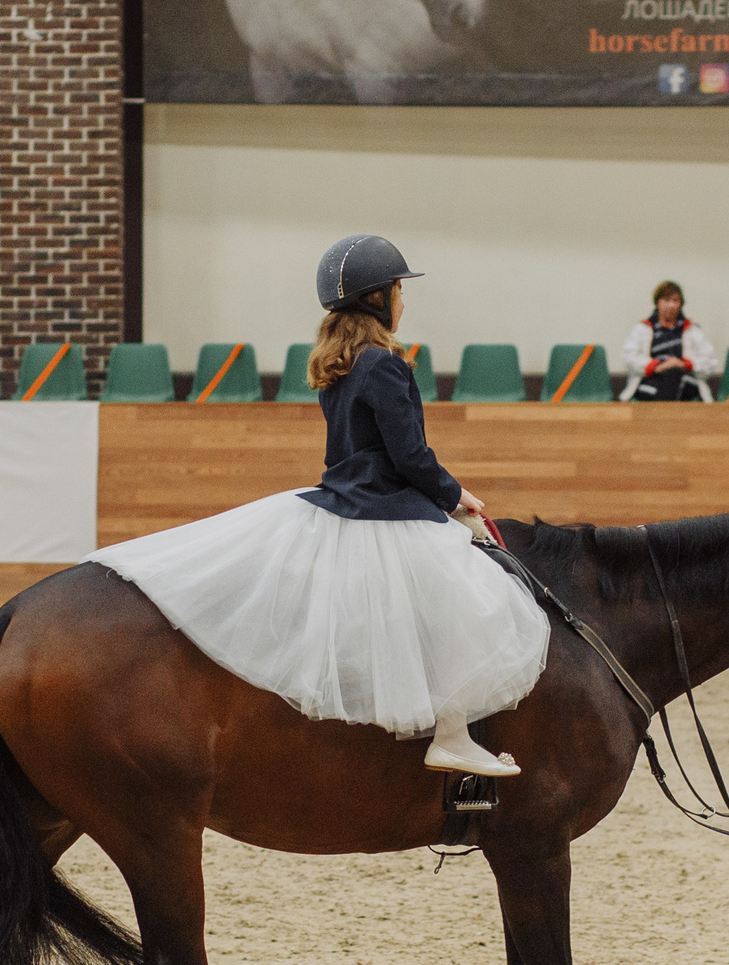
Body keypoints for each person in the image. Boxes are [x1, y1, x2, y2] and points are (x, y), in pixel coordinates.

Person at [87, 234, 548, 779]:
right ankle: (450, 734)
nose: (404, 301)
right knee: (466, 598)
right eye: (399, 290)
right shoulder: (384, 365)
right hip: (383, 508)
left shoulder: (342, 364)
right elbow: (410, 455)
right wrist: (456, 497)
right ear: (379, 298)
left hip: (340, 502)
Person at [619, 280, 711, 401]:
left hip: (685, 379)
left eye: (675, 301)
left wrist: (683, 364)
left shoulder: (692, 330)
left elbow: (709, 361)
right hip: (651, 379)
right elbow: (629, 358)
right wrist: (655, 366)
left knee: (675, 374)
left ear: (680, 304)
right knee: (666, 384)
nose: (671, 305)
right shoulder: (642, 329)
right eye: (667, 300)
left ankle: (660, 417)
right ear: (657, 303)